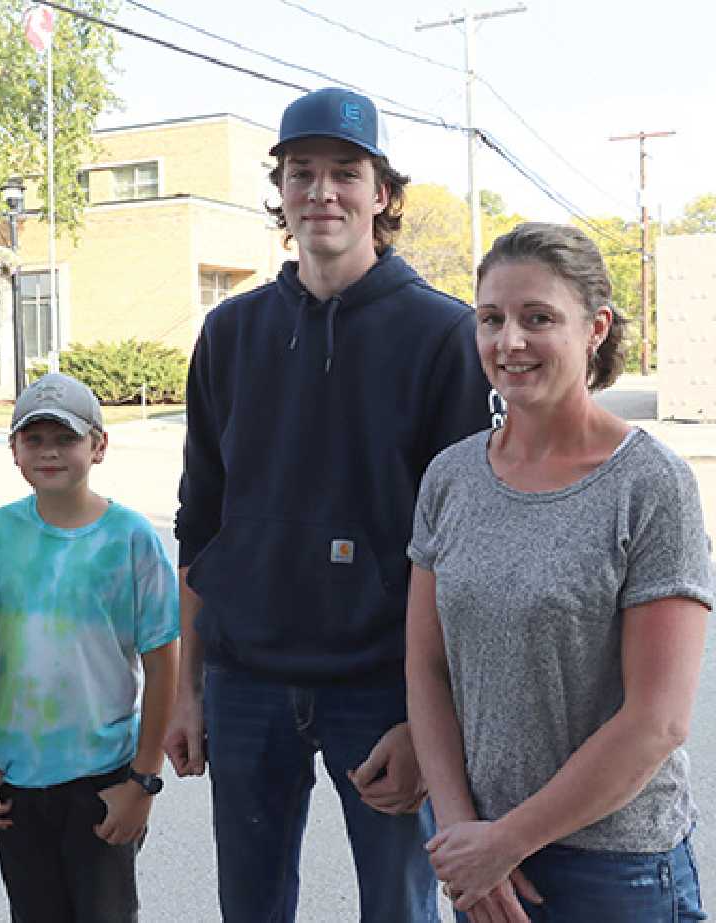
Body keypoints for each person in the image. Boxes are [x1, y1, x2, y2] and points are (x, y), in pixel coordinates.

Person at [167, 87, 498, 922]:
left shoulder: (443, 336)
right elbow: (200, 520)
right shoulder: (229, 333)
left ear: (382, 193)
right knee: (250, 904)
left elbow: (466, 547)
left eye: (345, 173)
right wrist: (187, 687)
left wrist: (435, 724)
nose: (322, 191)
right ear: (278, 190)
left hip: (382, 688)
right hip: (247, 680)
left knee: (398, 906)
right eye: (301, 172)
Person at [405, 222, 713, 922]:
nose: (508, 341)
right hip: (484, 858)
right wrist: (464, 838)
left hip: (615, 868)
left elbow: (657, 719)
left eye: (537, 318)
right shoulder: (450, 477)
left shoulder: (650, 485)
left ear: (595, 327)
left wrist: (505, 841)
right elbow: (427, 667)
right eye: (491, 319)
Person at [0, 373, 180, 923]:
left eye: (66, 438)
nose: (49, 451)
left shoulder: (131, 539)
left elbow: (162, 664)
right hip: (18, 779)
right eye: (34, 439)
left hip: (102, 780)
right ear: (14, 450)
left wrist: (143, 782)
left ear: (98, 445)